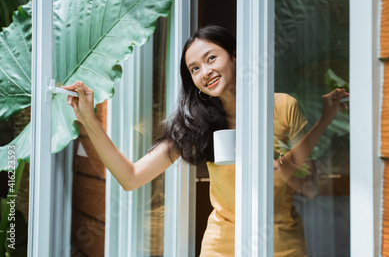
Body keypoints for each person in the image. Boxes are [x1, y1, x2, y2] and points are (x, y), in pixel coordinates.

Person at [63, 25, 348, 256]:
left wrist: (316, 127)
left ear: (234, 57)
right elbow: (131, 177)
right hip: (221, 245)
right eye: (194, 68)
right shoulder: (197, 124)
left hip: (281, 244)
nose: (205, 72)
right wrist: (88, 118)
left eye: (211, 58)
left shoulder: (283, 107)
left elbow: (307, 186)